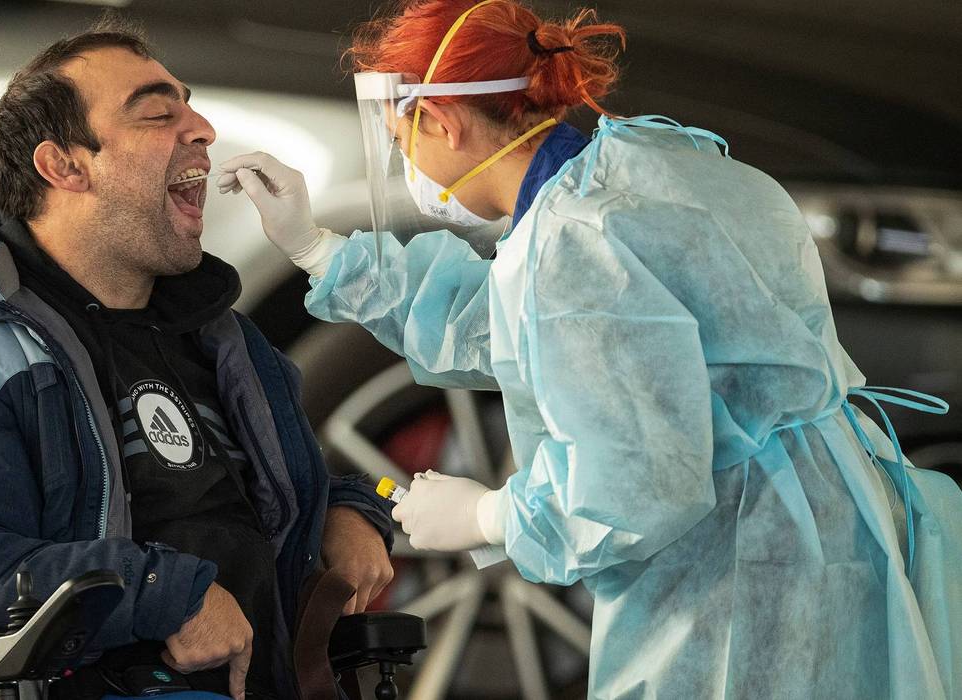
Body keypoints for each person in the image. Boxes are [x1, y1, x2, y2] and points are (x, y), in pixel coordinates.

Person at [218, 0, 962, 697]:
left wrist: (492, 518)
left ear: (441, 122)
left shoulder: (574, 243)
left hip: (736, 572)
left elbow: (636, 482)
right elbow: (524, 329)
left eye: (399, 142)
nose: (406, 168)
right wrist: (319, 250)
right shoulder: (651, 166)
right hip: (826, 522)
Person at [0, 15, 396, 700]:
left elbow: (282, 501)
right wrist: (164, 594)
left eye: (190, 107)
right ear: (64, 165)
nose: (201, 129)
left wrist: (352, 512)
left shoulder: (220, 338)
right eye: (157, 113)